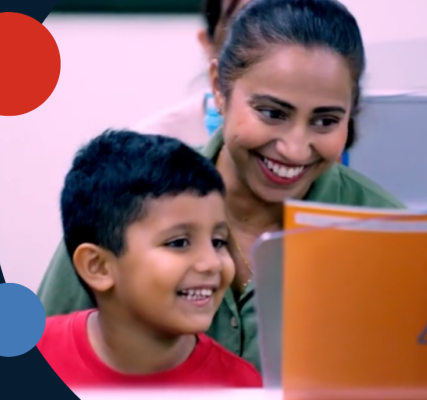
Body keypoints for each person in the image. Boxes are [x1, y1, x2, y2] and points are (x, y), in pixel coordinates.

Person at [38, 0, 404, 374]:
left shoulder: (392, 232)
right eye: (272, 113)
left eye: (326, 121)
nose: (295, 149)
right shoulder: (127, 196)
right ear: (218, 87)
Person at [37, 130, 262, 388]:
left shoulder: (241, 387)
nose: (211, 263)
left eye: (218, 242)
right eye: (179, 243)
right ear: (97, 266)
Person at [131, 0, 308, 147]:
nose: (272, 48)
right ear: (208, 45)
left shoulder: (332, 139)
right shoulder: (153, 145)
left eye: (288, 25)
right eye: (244, 30)